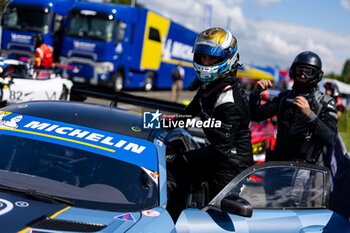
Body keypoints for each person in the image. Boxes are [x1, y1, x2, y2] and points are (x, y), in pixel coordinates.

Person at [166, 27, 253, 220]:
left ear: (228, 59)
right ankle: (170, 220)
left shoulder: (230, 101)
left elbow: (221, 151)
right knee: (172, 175)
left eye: (212, 59)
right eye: (202, 57)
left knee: (214, 216)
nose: (205, 63)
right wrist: (151, 123)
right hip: (215, 153)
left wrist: (181, 158)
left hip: (232, 164)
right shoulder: (209, 86)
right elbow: (188, 115)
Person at [249, 51, 338, 163]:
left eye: (308, 72)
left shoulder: (325, 102)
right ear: (293, 71)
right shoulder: (284, 97)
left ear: (317, 74)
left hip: (304, 168)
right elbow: (256, 115)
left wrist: (310, 114)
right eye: (299, 70)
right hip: (277, 163)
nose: (302, 75)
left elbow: (331, 139)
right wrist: (256, 93)